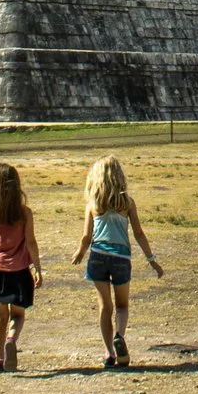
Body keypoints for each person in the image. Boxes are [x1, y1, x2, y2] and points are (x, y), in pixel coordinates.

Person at [74, 156, 164, 369]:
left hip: (98, 256)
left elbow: (86, 236)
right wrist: (152, 260)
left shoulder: (93, 203)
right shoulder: (128, 202)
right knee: (122, 305)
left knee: (105, 306)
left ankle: (108, 353)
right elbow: (139, 233)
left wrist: (80, 252)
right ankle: (119, 335)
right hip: (121, 257)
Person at [0, 163, 42, 374]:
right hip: (19, 272)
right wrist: (37, 268)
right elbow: (31, 242)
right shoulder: (24, 213)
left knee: (0, 316)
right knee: (18, 316)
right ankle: (11, 339)